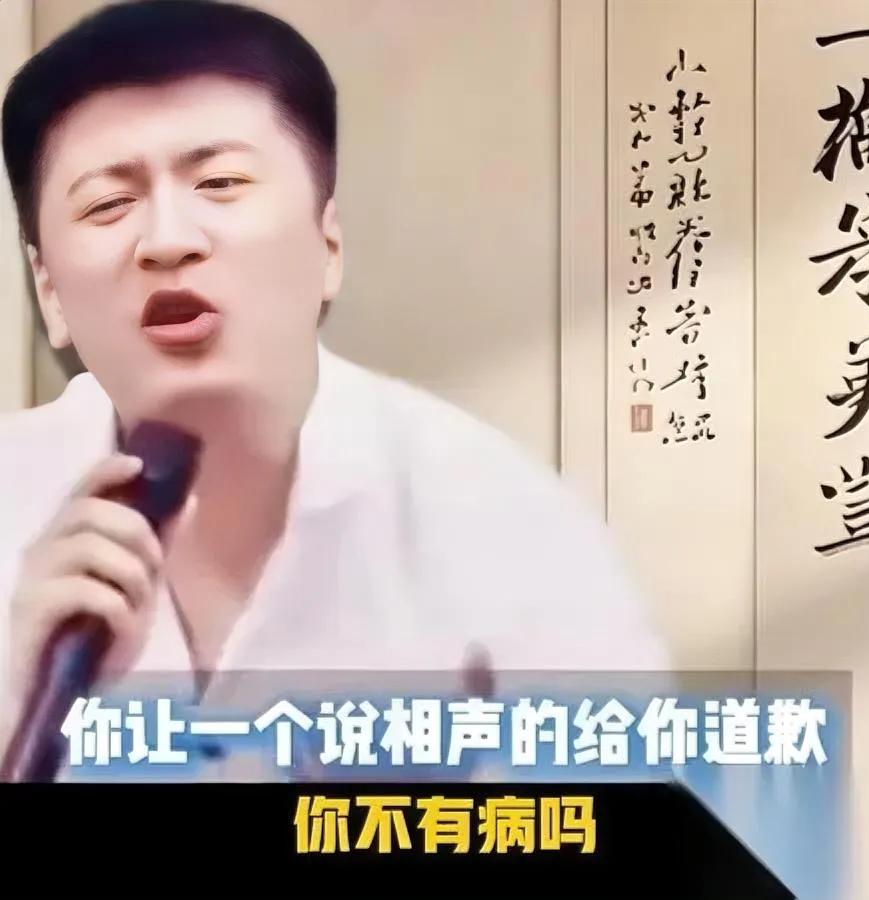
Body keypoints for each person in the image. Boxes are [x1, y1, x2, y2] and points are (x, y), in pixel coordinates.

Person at [0, 0, 669, 770]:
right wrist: (18, 706)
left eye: (219, 181)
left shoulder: (507, 526)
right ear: (49, 292)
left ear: (328, 248)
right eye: (109, 204)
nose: (168, 241)